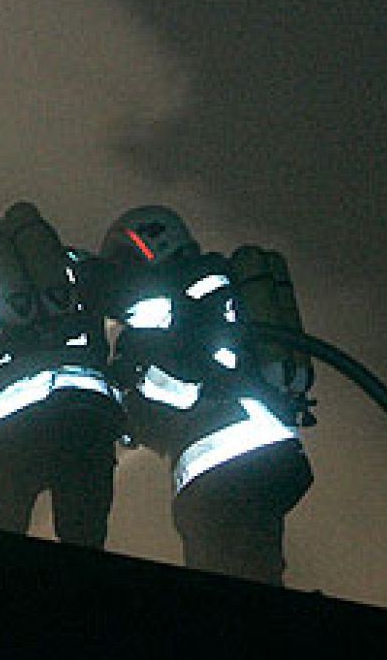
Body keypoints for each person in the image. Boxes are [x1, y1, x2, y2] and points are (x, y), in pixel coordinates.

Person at [95, 205, 316, 584]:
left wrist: (129, 396)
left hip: (222, 469)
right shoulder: (216, 286)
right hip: (267, 453)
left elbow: (181, 388)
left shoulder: (179, 298)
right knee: (261, 568)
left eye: (124, 261)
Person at [0, 202, 123, 547]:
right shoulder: (70, 265)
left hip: (11, 435)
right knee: (86, 537)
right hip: (87, 419)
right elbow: (121, 294)